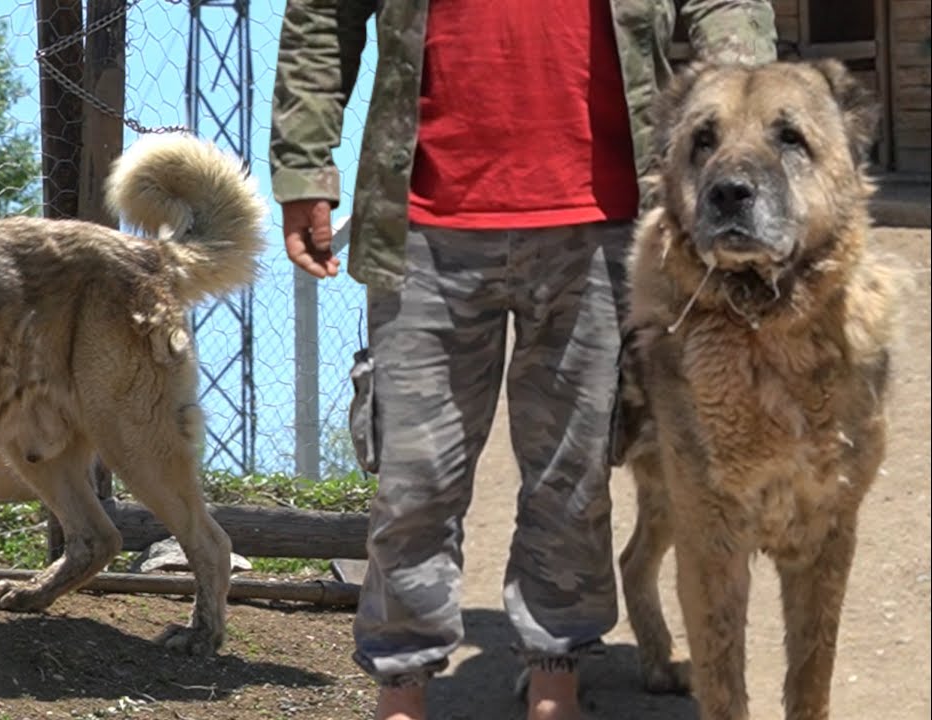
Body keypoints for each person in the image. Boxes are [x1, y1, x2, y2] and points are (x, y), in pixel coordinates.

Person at [270, 2, 777, 719]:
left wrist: (736, 93)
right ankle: (402, 692)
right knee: (416, 480)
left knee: (573, 474)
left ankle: (554, 679)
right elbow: (323, 14)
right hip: (425, 224)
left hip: (602, 218)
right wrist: (303, 166)